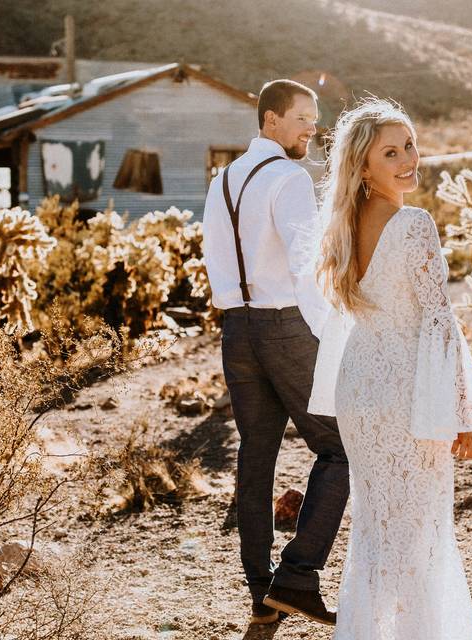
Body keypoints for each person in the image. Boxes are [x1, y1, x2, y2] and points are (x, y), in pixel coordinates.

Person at [309, 98, 472, 639]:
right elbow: (439, 321)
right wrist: (465, 411)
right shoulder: (413, 223)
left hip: (359, 386)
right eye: (391, 152)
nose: (409, 158)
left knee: (377, 530)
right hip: (405, 394)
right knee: (419, 534)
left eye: (409, 145)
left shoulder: (346, 221)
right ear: (364, 167)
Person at [202, 79, 349, 627]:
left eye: (314, 117)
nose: (313, 127)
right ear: (270, 121)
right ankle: (298, 576)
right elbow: (305, 264)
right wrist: (329, 332)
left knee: (256, 456)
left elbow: (213, 254)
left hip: (235, 329)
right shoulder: (288, 177)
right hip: (286, 324)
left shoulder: (223, 182)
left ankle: (262, 590)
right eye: (302, 118)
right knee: (340, 450)